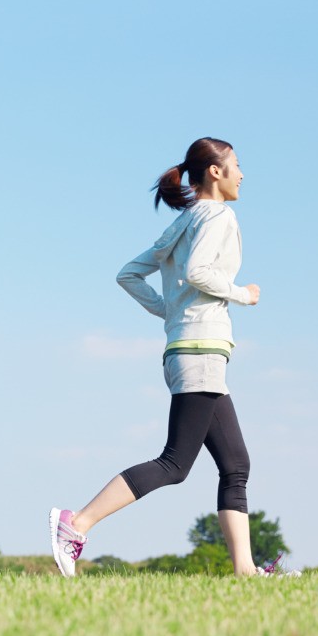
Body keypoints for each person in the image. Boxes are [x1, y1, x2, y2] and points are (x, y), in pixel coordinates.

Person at [49, 137, 272, 578]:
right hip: (201, 349)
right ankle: (76, 524)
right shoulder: (219, 217)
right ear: (215, 171)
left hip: (186, 349)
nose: (243, 174)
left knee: (236, 464)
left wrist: (169, 310)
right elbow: (199, 273)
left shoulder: (185, 222)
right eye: (237, 165)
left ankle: (246, 569)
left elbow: (128, 274)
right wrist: (242, 295)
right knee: (174, 463)